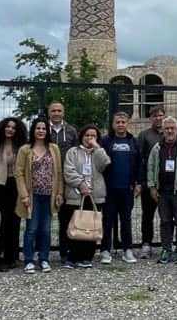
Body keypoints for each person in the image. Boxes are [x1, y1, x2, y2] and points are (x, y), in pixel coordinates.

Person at [147, 117, 177, 264]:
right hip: (163, 192)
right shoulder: (157, 148)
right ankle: (166, 249)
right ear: (163, 129)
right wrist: (152, 187)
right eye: (167, 128)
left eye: (172, 128)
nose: (169, 131)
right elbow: (151, 168)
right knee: (165, 222)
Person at [16, 118, 64, 273]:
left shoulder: (54, 148)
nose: (41, 131)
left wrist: (59, 193)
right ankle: (29, 259)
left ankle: (44, 258)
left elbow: (58, 172)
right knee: (31, 228)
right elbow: (19, 173)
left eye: (44, 128)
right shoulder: (25, 149)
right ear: (33, 130)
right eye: (38, 128)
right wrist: (24, 195)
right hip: (32, 195)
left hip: (49, 195)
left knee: (46, 229)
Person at [62, 124, 111, 268]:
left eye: (93, 136)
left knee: (91, 227)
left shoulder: (98, 152)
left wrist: (97, 147)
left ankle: (87, 257)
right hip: (76, 195)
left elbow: (105, 163)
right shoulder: (73, 152)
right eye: (87, 135)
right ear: (81, 136)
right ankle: (72, 257)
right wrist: (81, 184)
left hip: (94, 196)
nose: (89, 138)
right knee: (75, 225)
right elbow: (68, 170)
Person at [99, 112, 141, 264]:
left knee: (126, 220)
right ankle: (105, 250)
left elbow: (139, 164)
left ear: (127, 123)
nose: (121, 124)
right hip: (109, 188)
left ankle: (127, 250)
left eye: (123, 122)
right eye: (118, 122)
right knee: (107, 220)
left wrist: (138, 183)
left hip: (127, 188)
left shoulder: (133, 141)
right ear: (113, 124)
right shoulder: (105, 141)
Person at [0, 117, 27, 272]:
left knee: (16, 221)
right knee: (5, 221)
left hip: (17, 185)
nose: (10, 129)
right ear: (2, 128)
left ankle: (13, 256)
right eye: (7, 127)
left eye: (13, 127)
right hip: (2, 186)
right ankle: (1, 257)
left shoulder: (22, 147)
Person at [48, 101, 78, 265]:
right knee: (43, 219)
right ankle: (41, 252)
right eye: (53, 110)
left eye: (59, 110)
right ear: (49, 113)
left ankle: (65, 251)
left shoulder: (72, 131)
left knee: (65, 217)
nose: (56, 113)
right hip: (46, 178)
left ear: (63, 113)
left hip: (66, 180)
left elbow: (75, 153)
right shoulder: (43, 129)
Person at [137, 104, 166, 258]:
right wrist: (142, 182)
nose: (158, 118)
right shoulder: (144, 135)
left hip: (167, 182)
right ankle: (146, 244)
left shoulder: (170, 132)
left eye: (160, 115)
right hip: (150, 182)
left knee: (166, 215)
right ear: (150, 118)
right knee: (147, 215)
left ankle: (166, 244)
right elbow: (139, 159)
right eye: (155, 116)